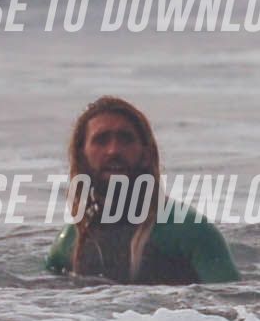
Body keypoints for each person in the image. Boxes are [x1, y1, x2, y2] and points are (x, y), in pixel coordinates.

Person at [44, 96, 240, 284]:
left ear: (146, 154)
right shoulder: (68, 244)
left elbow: (232, 299)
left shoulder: (190, 231)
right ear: (82, 156)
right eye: (101, 140)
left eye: (126, 139)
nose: (113, 150)